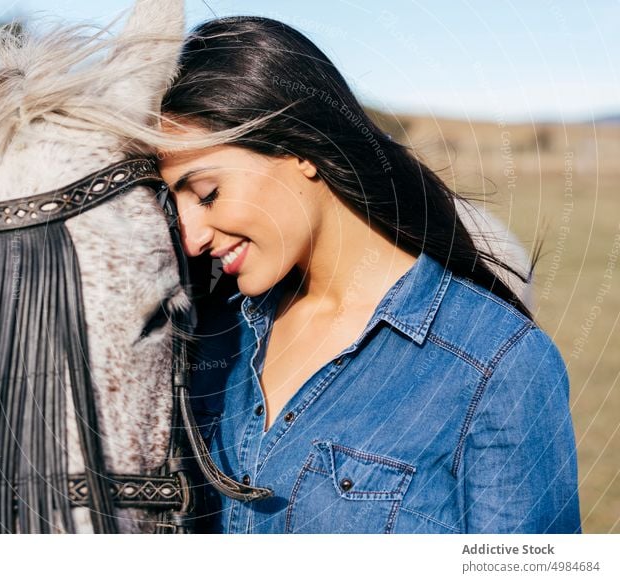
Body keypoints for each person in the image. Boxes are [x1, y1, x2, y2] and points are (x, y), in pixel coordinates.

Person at [154, 16, 581, 533]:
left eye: (206, 194)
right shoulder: (209, 339)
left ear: (300, 149)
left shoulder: (499, 367)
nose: (192, 238)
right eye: (177, 206)